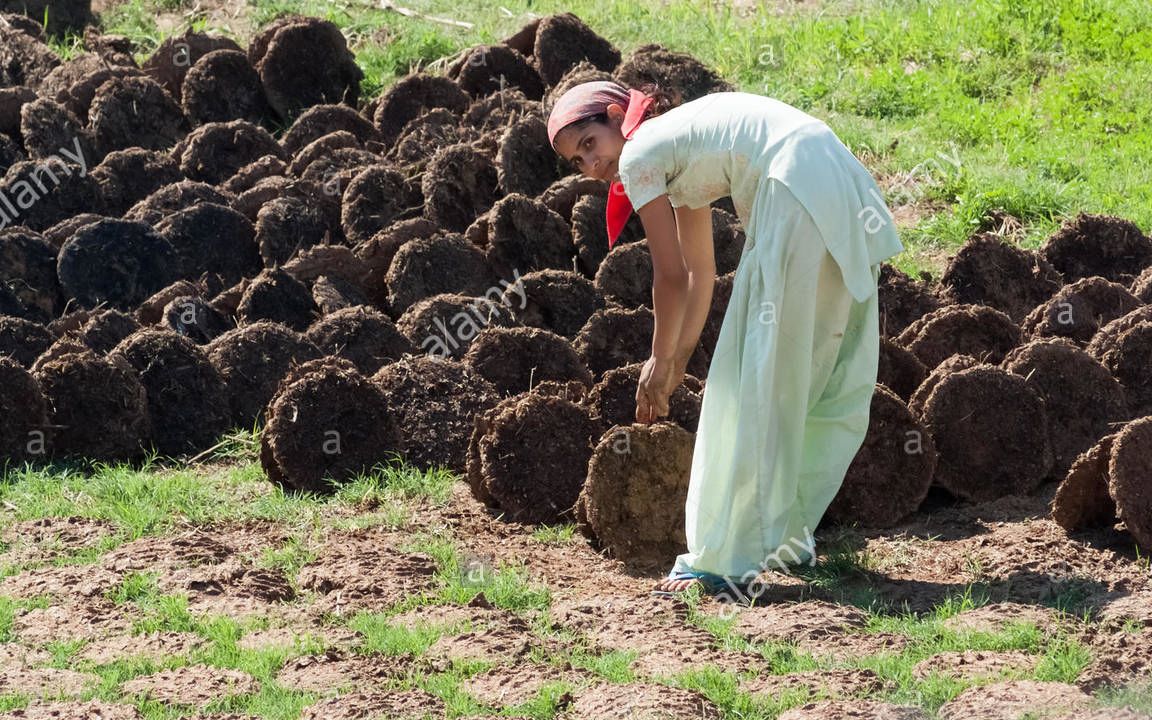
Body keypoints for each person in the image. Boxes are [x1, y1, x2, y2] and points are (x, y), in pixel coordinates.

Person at [547, 80, 903, 598]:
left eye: (589, 144)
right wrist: (676, 363)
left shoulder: (640, 154)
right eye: (577, 161)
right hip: (831, 172)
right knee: (810, 368)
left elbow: (670, 276)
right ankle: (785, 535)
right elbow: (701, 272)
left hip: (792, 186)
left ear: (618, 116)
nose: (591, 164)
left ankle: (721, 557)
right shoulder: (673, 145)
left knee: (748, 383)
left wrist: (658, 361)